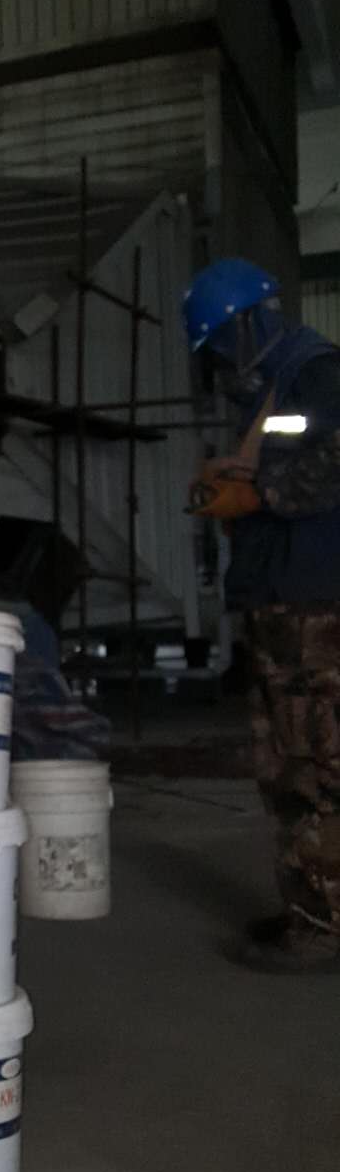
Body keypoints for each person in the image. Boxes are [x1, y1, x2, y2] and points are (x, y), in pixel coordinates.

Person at [184, 256, 340, 973]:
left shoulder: (318, 372)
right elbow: (283, 461)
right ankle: (310, 905)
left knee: (318, 766)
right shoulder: (272, 391)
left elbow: (330, 464)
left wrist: (259, 495)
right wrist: (234, 477)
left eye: (220, 343)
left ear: (249, 324)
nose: (219, 362)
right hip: (280, 604)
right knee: (285, 767)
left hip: (315, 606)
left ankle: (326, 927)